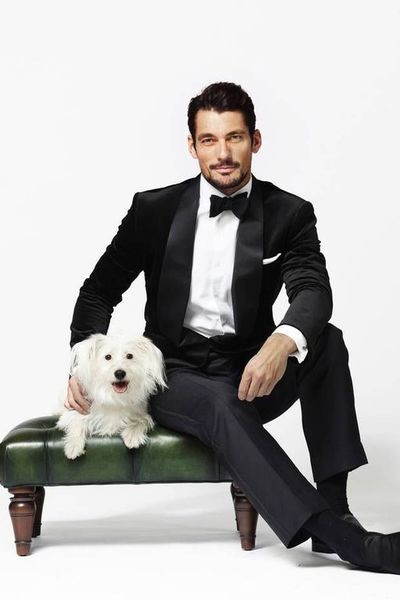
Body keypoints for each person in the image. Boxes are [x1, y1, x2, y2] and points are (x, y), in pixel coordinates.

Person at [66, 82, 400, 574]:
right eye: (209, 140)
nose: (222, 153)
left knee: (325, 341)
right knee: (218, 402)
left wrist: (281, 342)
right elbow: (98, 291)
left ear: (255, 140)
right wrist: (81, 366)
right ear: (192, 146)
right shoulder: (153, 211)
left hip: (251, 371)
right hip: (174, 374)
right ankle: (350, 542)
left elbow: (313, 290)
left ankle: (336, 505)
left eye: (234, 138)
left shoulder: (289, 213)